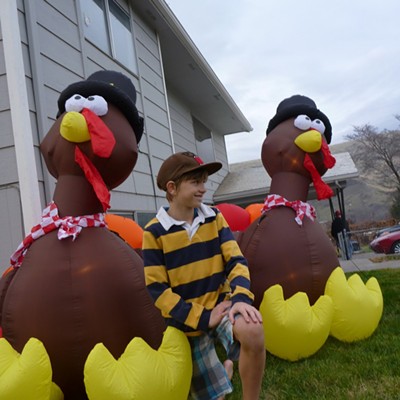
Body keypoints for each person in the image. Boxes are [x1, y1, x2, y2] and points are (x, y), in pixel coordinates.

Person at [142, 152, 265, 400]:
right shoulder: (154, 232)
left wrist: (241, 298)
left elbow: (236, 261)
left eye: (204, 181)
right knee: (215, 396)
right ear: (172, 188)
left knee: (253, 329)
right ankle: (226, 370)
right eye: (196, 182)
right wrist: (202, 317)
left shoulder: (215, 218)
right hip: (188, 324)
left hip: (222, 307)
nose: (203, 188)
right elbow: (158, 291)